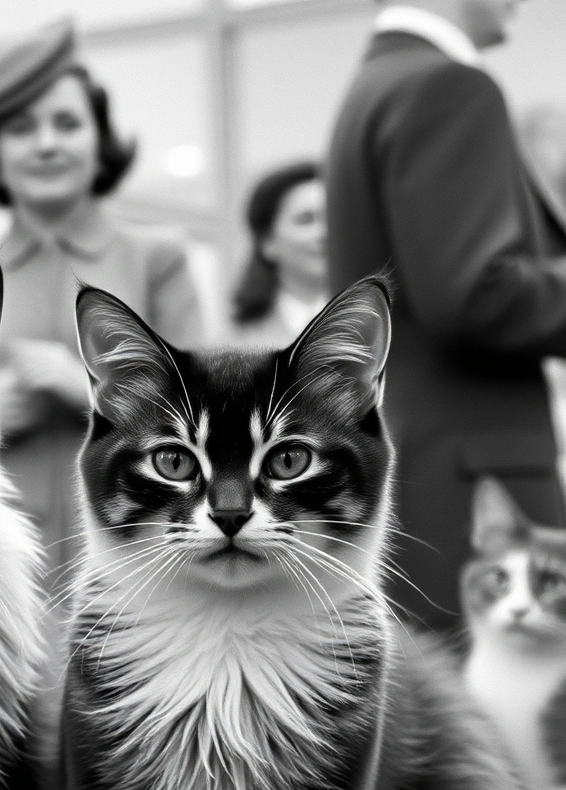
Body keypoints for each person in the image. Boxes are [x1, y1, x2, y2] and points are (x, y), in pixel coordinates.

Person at [326, 0, 566, 630]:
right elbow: (475, 295)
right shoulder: (448, 85)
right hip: (475, 488)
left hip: (427, 469)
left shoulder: (379, 83)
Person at [0, 18, 204, 586]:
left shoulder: (158, 258)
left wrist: (85, 389)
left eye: (67, 124)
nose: (46, 143)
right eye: (22, 129)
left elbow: (206, 407)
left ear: (101, 144)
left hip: (141, 560)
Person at [230, 162, 327, 347]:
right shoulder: (229, 344)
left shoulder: (385, 329)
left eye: (332, 218)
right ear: (267, 242)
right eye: (306, 220)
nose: (325, 233)